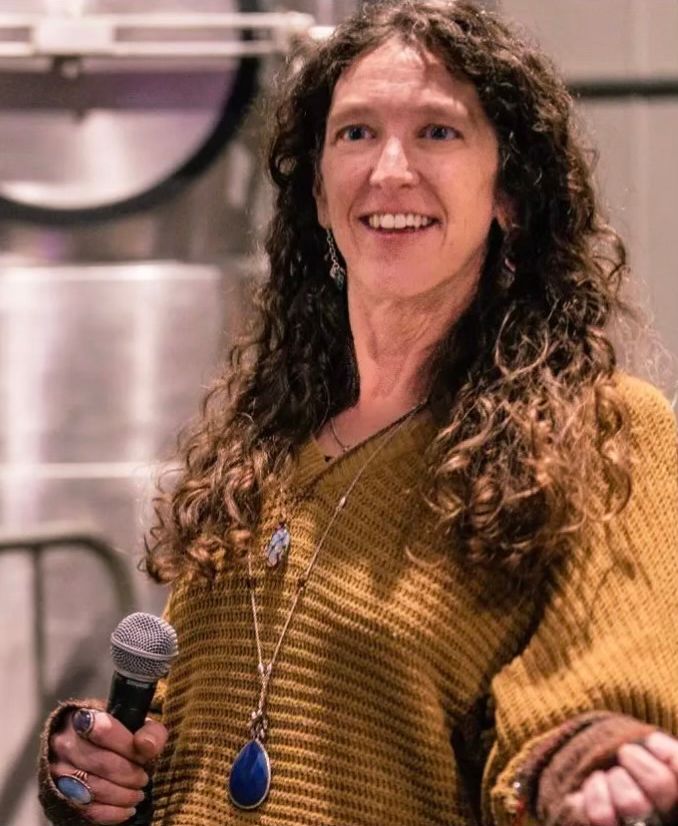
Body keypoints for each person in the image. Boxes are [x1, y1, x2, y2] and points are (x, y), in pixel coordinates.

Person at [38, 1, 678, 825]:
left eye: (438, 132)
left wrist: (593, 769)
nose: (390, 169)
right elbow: (196, 733)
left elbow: (608, 692)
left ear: (510, 193)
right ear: (317, 191)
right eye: (356, 133)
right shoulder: (260, 439)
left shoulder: (602, 432)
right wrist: (104, 768)